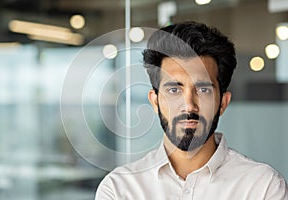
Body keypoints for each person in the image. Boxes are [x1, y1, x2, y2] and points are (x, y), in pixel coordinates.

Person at [95, 21, 288, 199]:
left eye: (203, 90)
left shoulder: (262, 187)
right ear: (155, 102)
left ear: (223, 103)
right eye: (174, 90)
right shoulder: (119, 189)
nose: (189, 105)